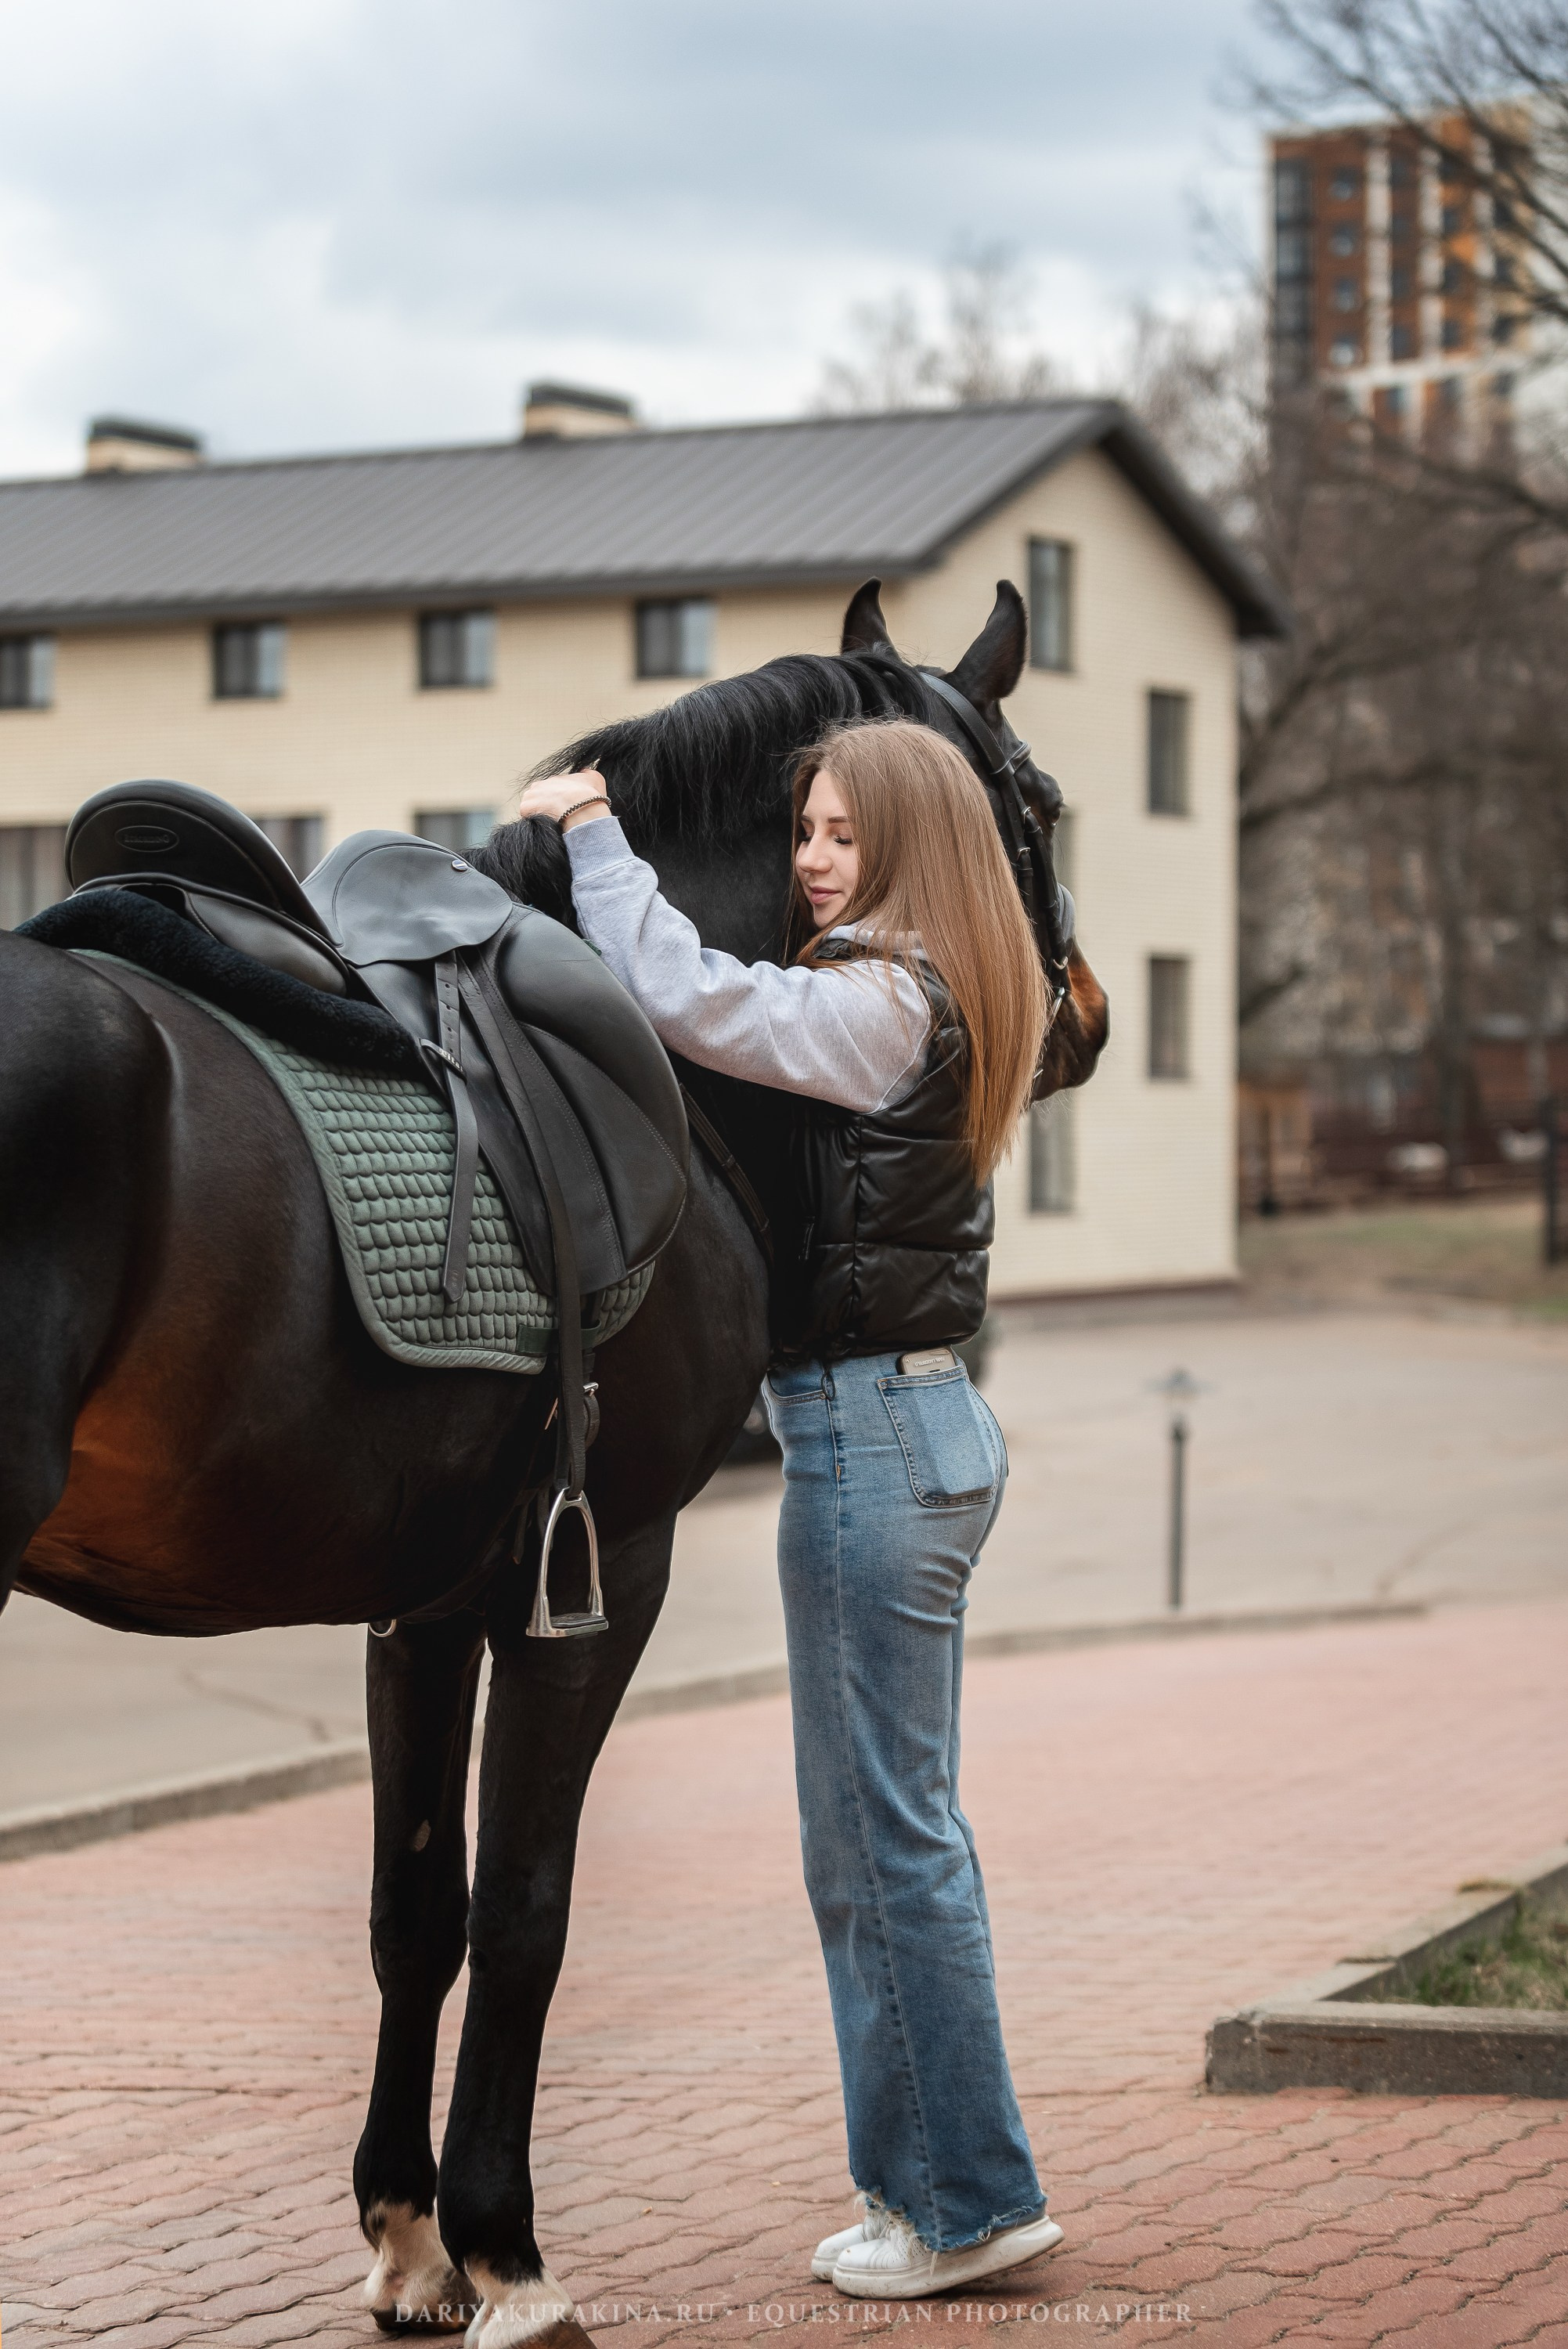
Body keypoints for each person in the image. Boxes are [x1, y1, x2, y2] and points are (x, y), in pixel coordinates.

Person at [517, 718, 1068, 2300]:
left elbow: (693, 1001)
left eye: (841, 833)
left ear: (911, 845)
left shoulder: (888, 998)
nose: (811, 857)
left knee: (881, 1847)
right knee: (889, 1839)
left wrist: (593, 838)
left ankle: (962, 2204)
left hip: (871, 1441)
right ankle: (940, 2191)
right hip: (906, 1430)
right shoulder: (932, 981)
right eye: (805, 831)